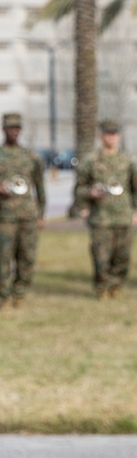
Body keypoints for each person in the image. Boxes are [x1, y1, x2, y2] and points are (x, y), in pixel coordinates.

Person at [71, 119, 137, 299]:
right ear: (100, 136)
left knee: (122, 256)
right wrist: (90, 195)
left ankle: (116, 285)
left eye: (115, 133)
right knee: (100, 257)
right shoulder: (90, 160)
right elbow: (78, 189)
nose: (112, 137)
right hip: (100, 217)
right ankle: (102, 287)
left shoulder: (127, 160)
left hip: (123, 216)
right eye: (108, 133)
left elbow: (136, 189)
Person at [0, 112, 45, 311]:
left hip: (28, 216)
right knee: (3, 258)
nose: (14, 132)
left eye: (17, 128)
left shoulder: (31, 156)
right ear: (4, 129)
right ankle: (4, 295)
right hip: (4, 216)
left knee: (27, 257)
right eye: (11, 128)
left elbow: (40, 188)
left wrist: (41, 214)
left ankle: (20, 293)